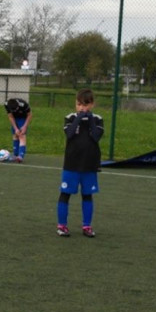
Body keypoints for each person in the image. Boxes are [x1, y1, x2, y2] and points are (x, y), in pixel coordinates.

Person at [57, 88, 104, 238]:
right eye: (79, 105)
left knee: (87, 195)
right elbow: (69, 134)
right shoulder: (70, 118)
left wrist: (89, 119)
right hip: (72, 163)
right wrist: (79, 117)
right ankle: (62, 226)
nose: (82, 108)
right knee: (65, 194)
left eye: (85, 105)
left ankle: (87, 226)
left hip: (89, 164)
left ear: (92, 105)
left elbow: (96, 137)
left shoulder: (97, 119)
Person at [4, 97, 32, 163]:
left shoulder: (24, 104)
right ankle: (15, 155)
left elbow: (30, 115)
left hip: (23, 118)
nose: (15, 111)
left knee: (21, 135)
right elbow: (10, 116)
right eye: (13, 110)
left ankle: (20, 156)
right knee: (15, 135)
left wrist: (25, 126)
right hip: (15, 118)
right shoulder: (6, 105)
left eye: (16, 109)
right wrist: (16, 128)